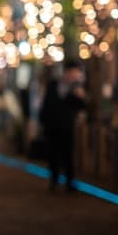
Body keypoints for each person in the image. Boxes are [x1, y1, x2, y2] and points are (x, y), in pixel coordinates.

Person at [39, 60, 86, 192]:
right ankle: (54, 181)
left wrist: (79, 96)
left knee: (68, 154)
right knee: (53, 154)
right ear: (66, 72)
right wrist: (43, 122)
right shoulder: (53, 85)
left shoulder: (75, 88)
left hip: (67, 126)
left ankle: (69, 182)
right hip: (52, 126)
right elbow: (46, 104)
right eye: (72, 73)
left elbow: (81, 106)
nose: (74, 76)